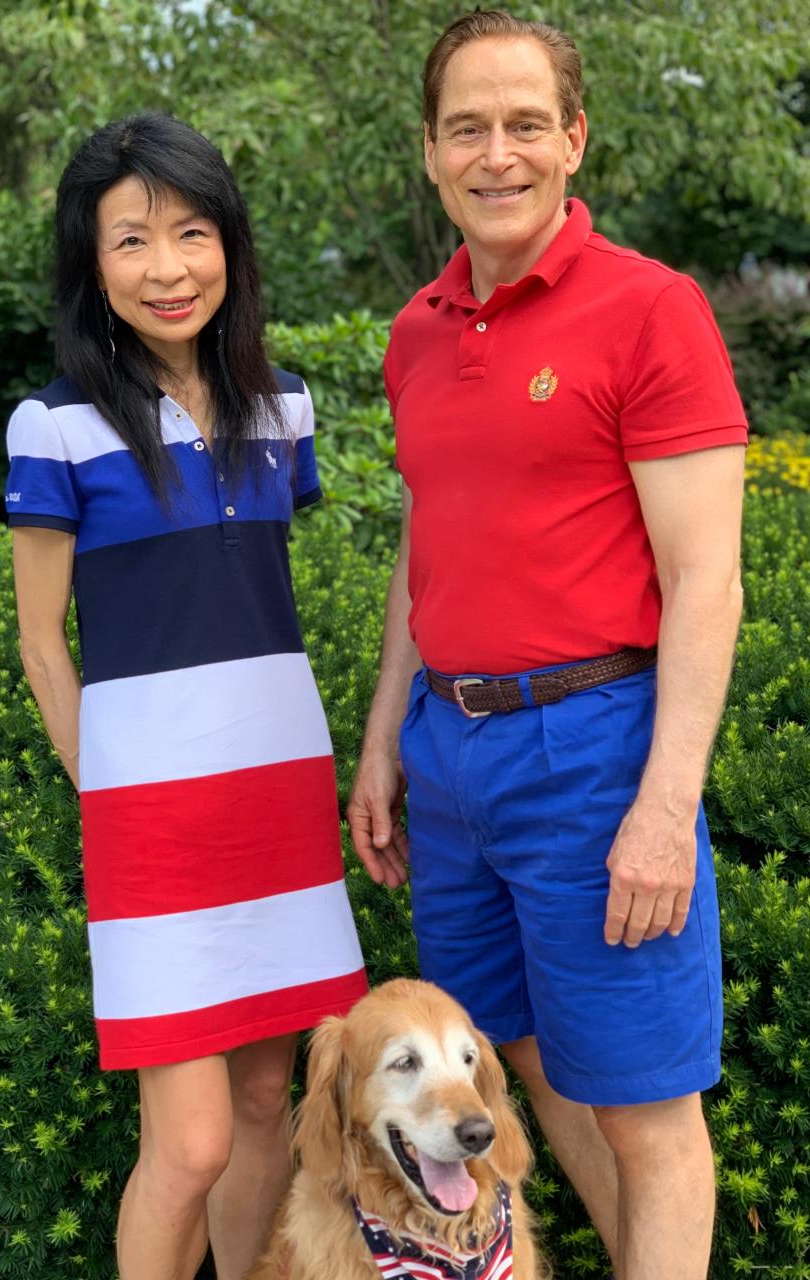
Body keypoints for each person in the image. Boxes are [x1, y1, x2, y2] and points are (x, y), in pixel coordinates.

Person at [347, 12, 747, 1280]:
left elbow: (706, 577)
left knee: (646, 1106)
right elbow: (427, 549)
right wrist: (381, 747)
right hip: (450, 756)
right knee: (513, 1053)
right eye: (468, 125)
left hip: (595, 749)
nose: (497, 152)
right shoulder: (416, 332)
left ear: (574, 140)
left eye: (527, 123)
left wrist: (663, 806)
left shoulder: (652, 310)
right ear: (429, 150)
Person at [6, 113, 367, 1280]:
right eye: (131, 241)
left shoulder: (283, 409)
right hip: (152, 821)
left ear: (232, 247)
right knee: (192, 1139)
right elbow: (42, 646)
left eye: (192, 232)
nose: (167, 267)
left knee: (269, 1097)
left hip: (282, 805)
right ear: (91, 264)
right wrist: (110, 790)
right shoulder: (54, 425)